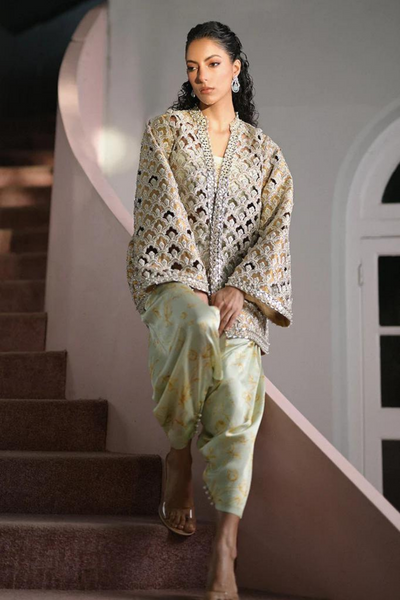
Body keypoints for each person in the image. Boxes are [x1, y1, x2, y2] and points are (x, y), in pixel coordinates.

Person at [126, 20, 294, 600]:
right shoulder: (166, 133)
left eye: (213, 64)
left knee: (240, 396)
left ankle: (225, 546)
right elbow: (158, 209)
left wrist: (240, 289)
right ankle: (178, 452)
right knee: (199, 323)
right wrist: (195, 283)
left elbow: (276, 230)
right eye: (192, 67)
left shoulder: (266, 155)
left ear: (236, 69)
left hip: (240, 296)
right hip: (173, 281)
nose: (201, 76)